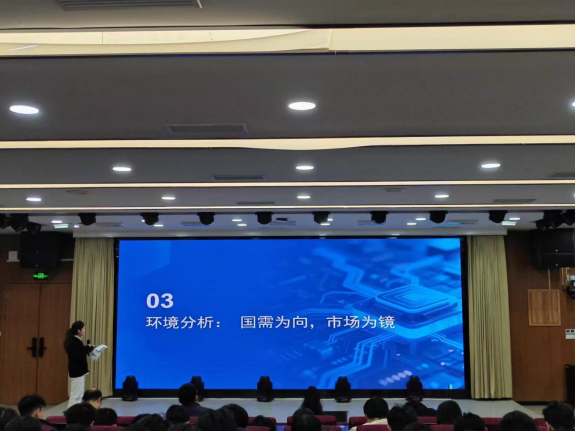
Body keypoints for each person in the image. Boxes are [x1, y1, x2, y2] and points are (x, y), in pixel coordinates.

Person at [64, 322, 94, 408]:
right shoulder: (74, 342)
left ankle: (74, 412)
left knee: (78, 394)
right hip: (77, 370)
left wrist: (88, 348)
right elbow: (78, 354)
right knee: (76, 395)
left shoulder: (76, 341)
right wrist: (88, 348)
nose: (84, 330)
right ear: (78, 330)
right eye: (83, 329)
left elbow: (80, 351)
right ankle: (71, 412)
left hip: (78, 370)